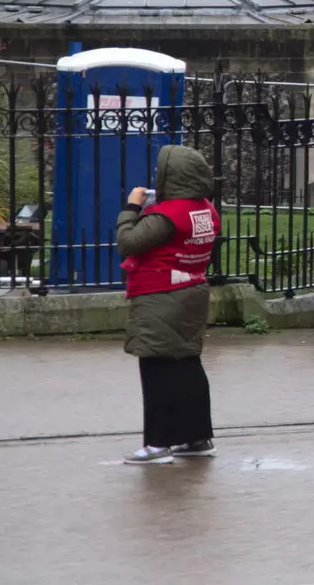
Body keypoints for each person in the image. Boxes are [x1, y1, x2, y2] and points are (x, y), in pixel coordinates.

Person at [114, 144, 221, 465]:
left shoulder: (168, 215)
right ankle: (197, 437)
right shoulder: (205, 210)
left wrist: (131, 208)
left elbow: (128, 242)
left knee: (156, 365)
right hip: (191, 292)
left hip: (161, 296)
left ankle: (158, 444)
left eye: (162, 173)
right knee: (188, 363)